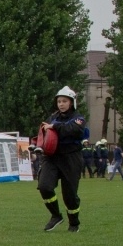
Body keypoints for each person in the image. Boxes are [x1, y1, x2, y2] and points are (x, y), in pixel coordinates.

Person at [37, 86, 86, 232]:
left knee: (70, 195)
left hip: (71, 158)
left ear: (71, 102)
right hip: (52, 157)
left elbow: (73, 129)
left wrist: (55, 126)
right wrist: (38, 144)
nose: (61, 104)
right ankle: (55, 216)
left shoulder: (78, 119)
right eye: (59, 101)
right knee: (44, 186)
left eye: (64, 101)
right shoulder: (52, 118)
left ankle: (74, 223)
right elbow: (43, 133)